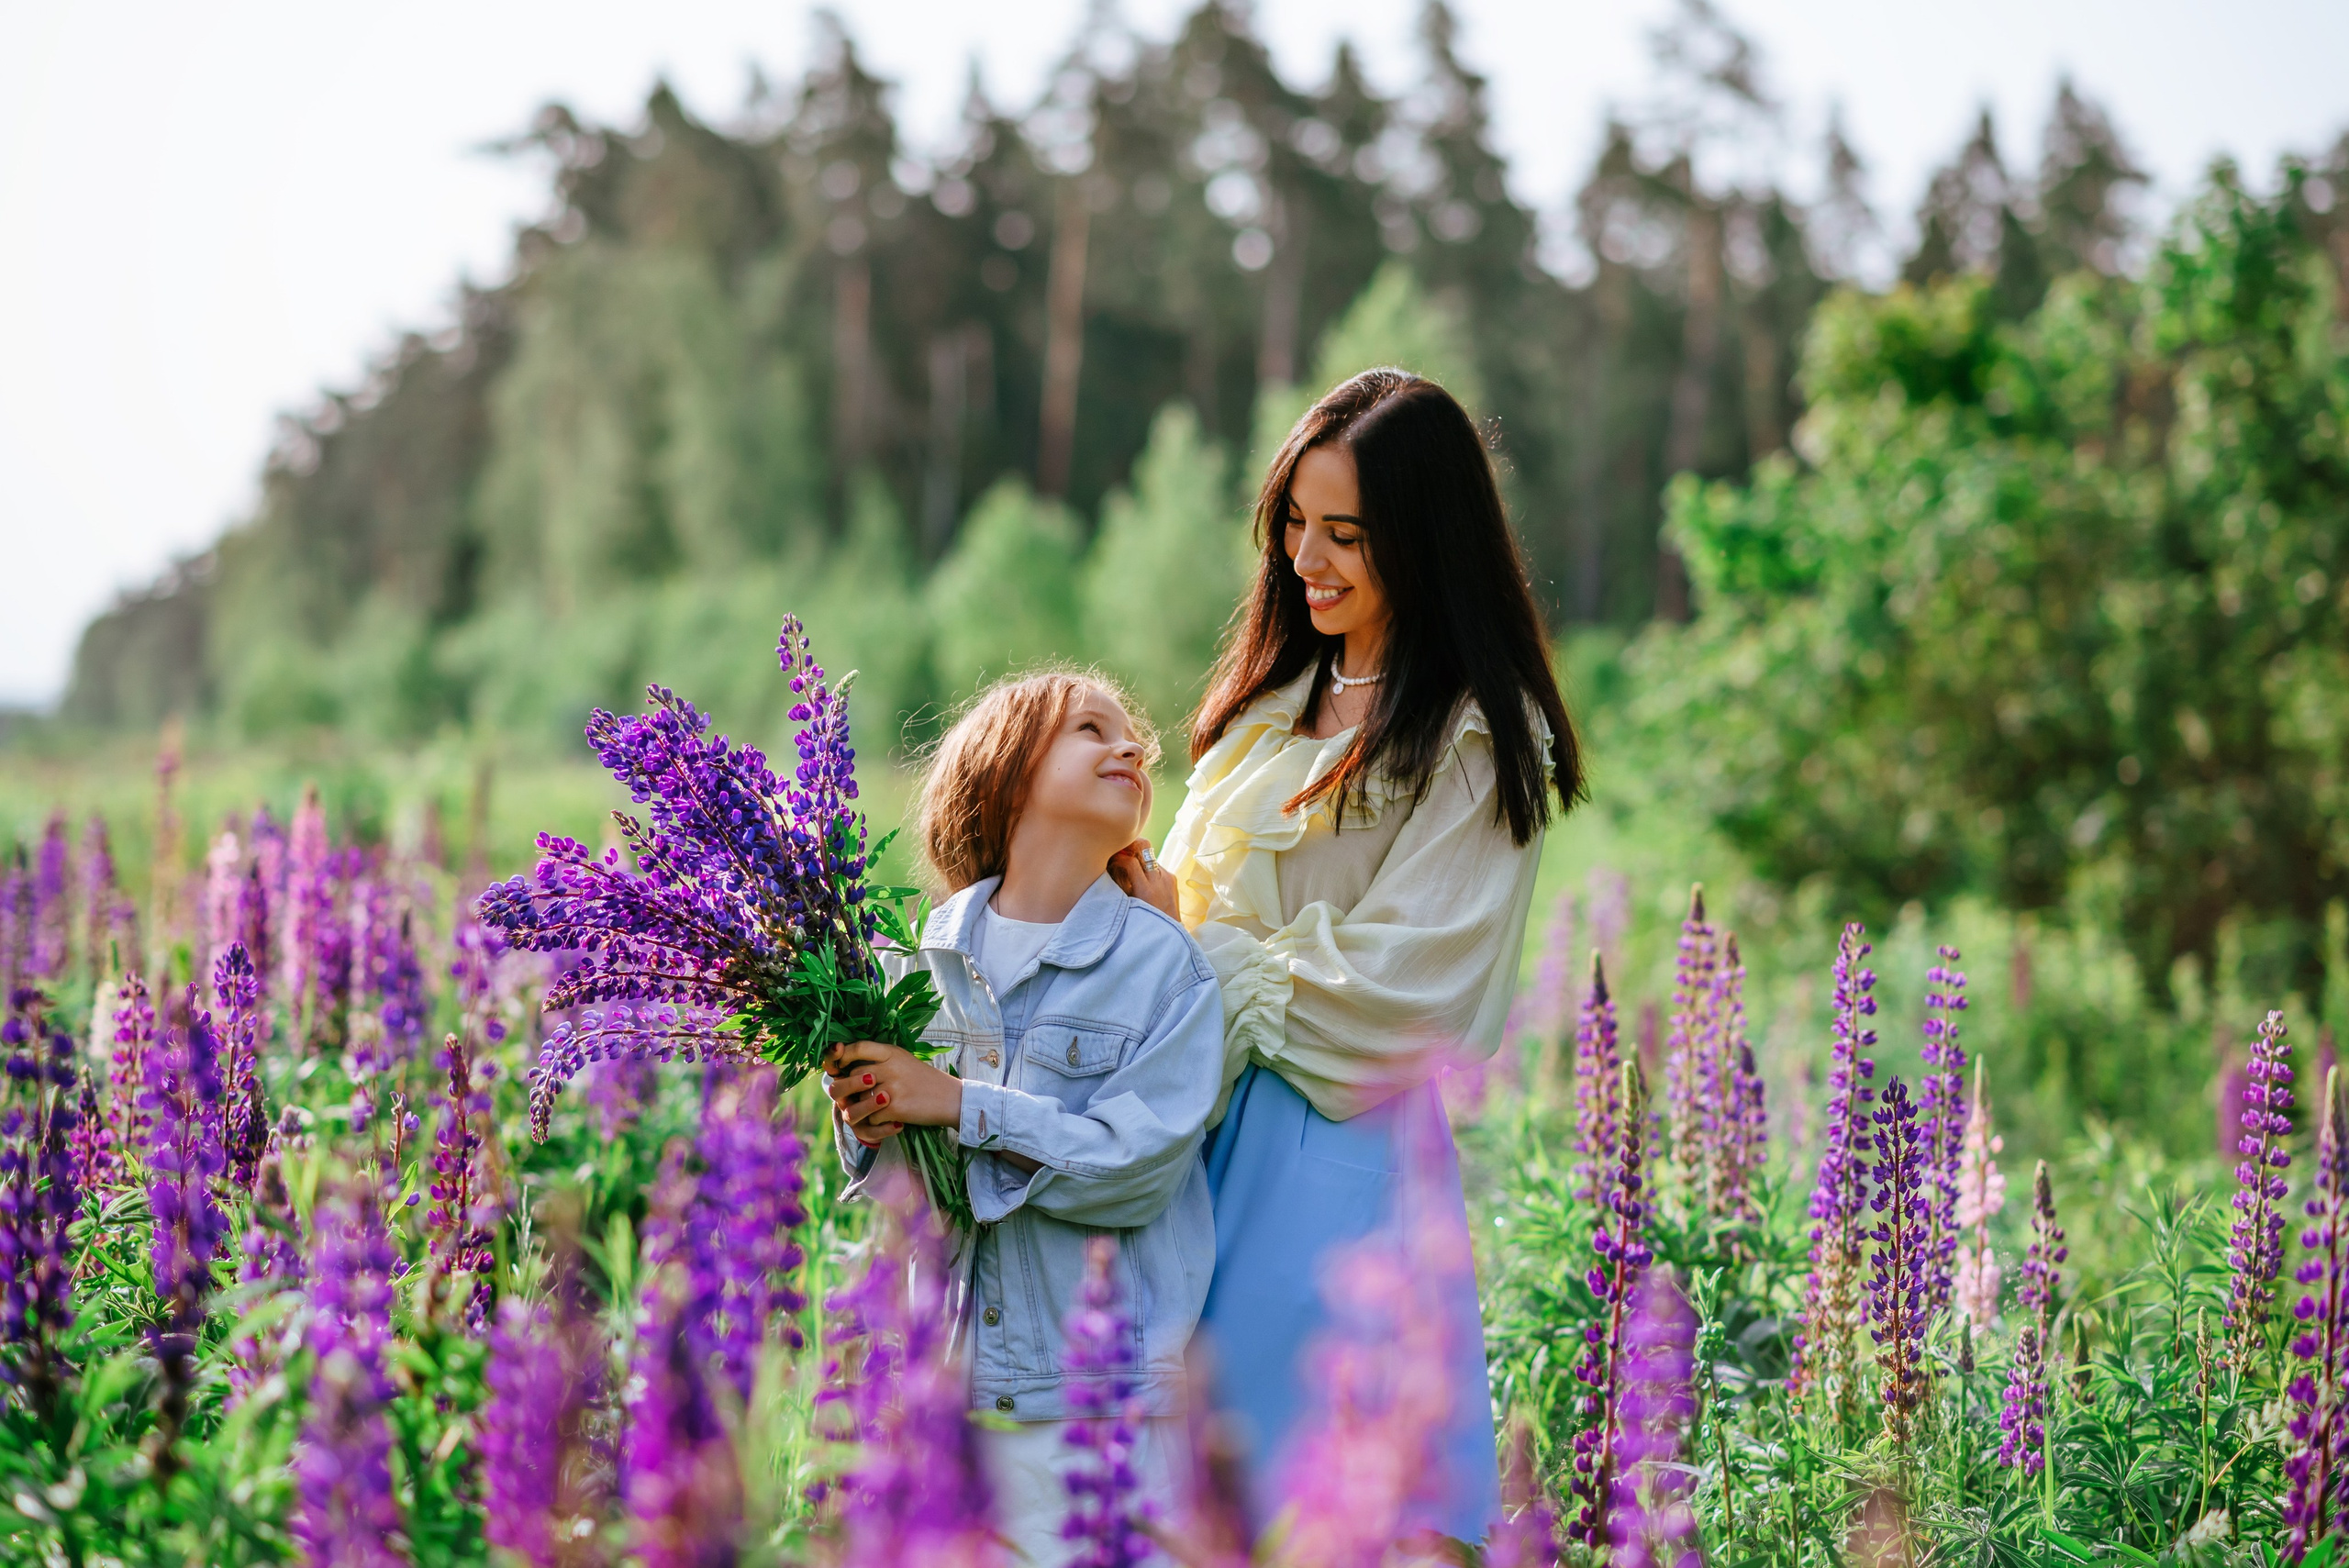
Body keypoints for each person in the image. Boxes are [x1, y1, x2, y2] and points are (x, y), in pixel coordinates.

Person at [1115, 368, 1584, 1548]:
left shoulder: (1475, 730)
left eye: (1348, 535)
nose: (1306, 559)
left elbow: (1404, 992)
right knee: (1170, 1501)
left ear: (1423, 541)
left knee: (1313, 1501)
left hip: (1335, 1151)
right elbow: (1176, 908)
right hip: (1189, 1132)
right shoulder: (1277, 696)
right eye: (1294, 522)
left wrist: (1196, 950)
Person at [824, 671, 1225, 1566]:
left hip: (1108, 1411)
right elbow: (914, 1206)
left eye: (1136, 741)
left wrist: (960, 1102)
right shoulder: (921, 961)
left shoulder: (1164, 964)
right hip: (954, 1402)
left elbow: (1137, 1165)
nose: (1128, 747)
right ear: (1005, 771)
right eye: (1092, 727)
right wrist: (865, 1118)